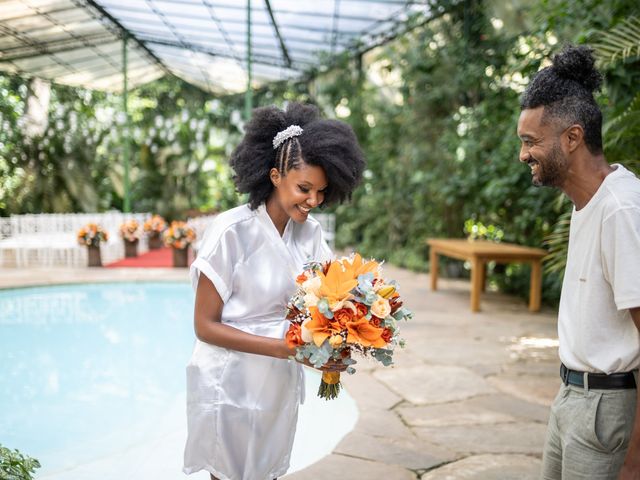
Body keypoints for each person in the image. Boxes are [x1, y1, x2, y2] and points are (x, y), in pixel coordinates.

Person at [182, 102, 366, 480]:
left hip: (277, 380)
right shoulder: (231, 232)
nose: (313, 201)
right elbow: (204, 326)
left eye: (321, 191)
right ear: (274, 175)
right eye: (304, 188)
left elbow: (328, 300)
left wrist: (332, 345)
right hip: (229, 378)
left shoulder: (311, 234)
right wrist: (285, 349)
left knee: (267, 471)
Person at [517, 45, 640, 479]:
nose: (523, 155)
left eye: (530, 142)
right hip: (572, 393)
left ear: (572, 138)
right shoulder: (587, 203)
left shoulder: (622, 209)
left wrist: (635, 457)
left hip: (607, 407)